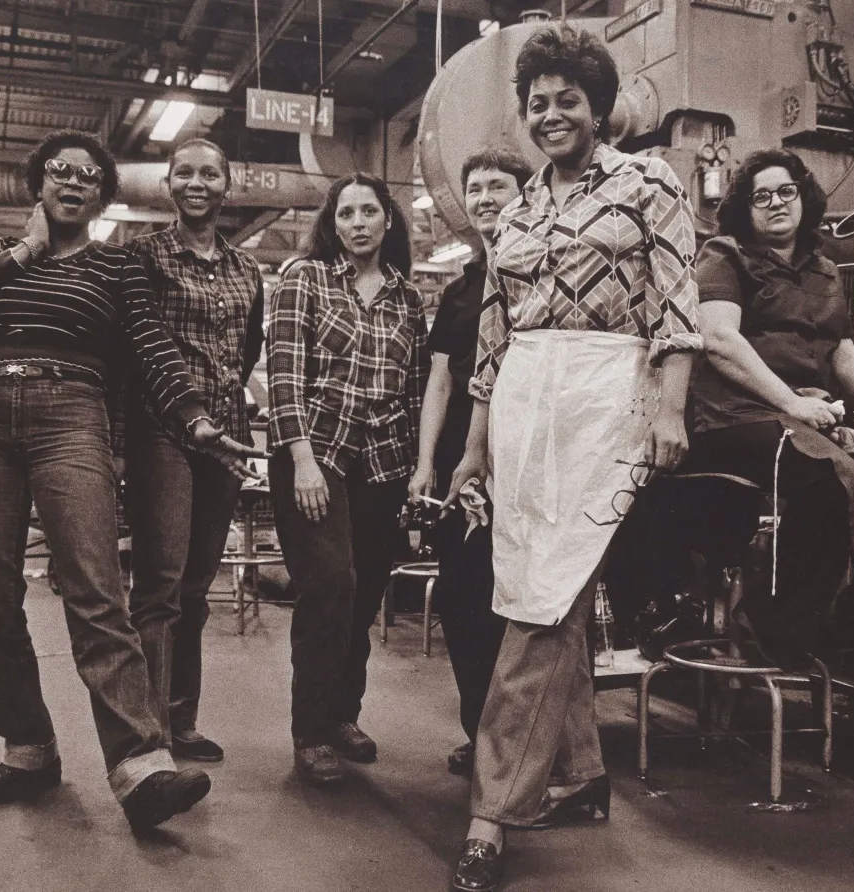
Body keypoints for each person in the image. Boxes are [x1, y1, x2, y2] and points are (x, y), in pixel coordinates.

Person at [0, 129, 258, 830]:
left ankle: (141, 767)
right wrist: (25, 248)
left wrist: (195, 418)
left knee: (95, 590)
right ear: (40, 184)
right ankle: (28, 750)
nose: (73, 182)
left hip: (70, 412)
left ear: (104, 196)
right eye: (60, 171)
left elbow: (150, 347)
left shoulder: (117, 268)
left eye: (88, 176)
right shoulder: (3, 258)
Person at [441, 27, 702, 892]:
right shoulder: (515, 212)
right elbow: (491, 337)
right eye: (538, 104)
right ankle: (583, 774)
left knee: (543, 603)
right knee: (534, 583)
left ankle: (492, 812)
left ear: (599, 107)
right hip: (523, 400)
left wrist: (668, 406)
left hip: (605, 392)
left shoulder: (646, 181)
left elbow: (677, 303)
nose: (551, 115)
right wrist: (474, 448)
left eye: (567, 101)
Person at [684, 147, 854, 673]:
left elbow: (842, 352)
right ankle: (777, 628)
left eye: (784, 191)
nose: (774, 204)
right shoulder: (724, 255)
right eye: (759, 196)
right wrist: (791, 401)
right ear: (744, 208)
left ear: (803, 196)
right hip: (734, 418)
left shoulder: (825, 270)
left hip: (806, 417)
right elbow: (718, 339)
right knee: (834, 482)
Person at [267, 172, 429, 784]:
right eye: (345, 214)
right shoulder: (302, 278)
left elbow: (414, 393)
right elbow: (284, 375)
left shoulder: (407, 299)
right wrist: (303, 462)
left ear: (388, 219)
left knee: (363, 598)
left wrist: (418, 474)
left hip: (382, 466)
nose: (357, 223)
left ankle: (342, 716)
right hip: (316, 456)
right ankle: (309, 732)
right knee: (331, 583)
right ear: (331, 224)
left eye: (368, 212)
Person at [125, 137, 266, 763]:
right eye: (185, 173)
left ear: (226, 186)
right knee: (160, 582)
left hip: (227, 438)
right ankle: (146, 727)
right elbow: (133, 347)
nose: (197, 183)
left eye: (210, 173)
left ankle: (181, 720)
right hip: (165, 433)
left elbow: (249, 349)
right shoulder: (143, 257)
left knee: (195, 587)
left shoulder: (247, 269)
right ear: (168, 185)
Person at [407, 149, 531, 777]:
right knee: (461, 595)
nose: (485, 198)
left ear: (524, 191)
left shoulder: (543, 269)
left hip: (526, 454)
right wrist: (427, 460)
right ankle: (481, 733)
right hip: (463, 466)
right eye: (475, 189)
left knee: (525, 603)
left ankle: (528, 745)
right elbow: (440, 382)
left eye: (498, 186)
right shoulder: (458, 289)